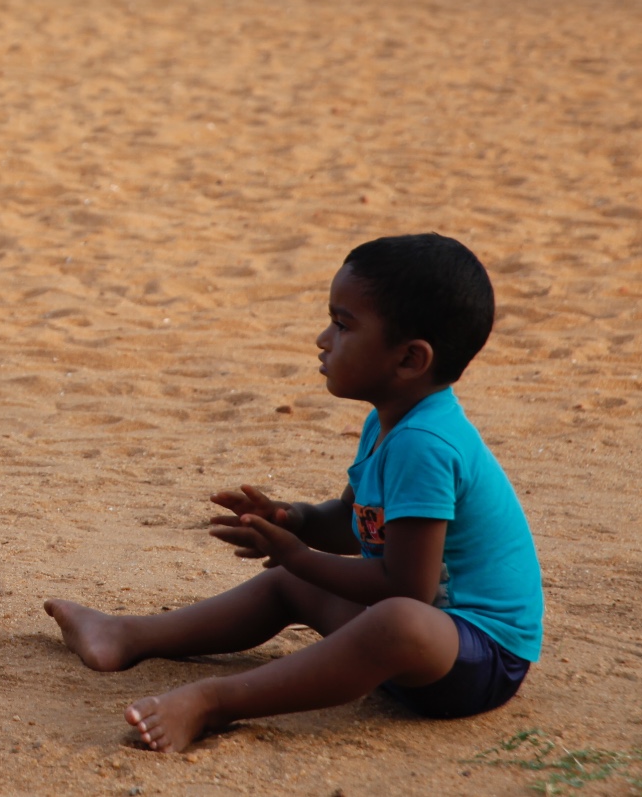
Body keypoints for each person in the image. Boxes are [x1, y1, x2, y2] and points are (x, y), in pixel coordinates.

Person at [44, 234, 543, 753]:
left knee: (393, 618)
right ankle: (126, 636)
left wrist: (301, 557)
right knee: (289, 583)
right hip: (415, 647)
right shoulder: (387, 423)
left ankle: (214, 702)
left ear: (410, 360)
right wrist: (297, 521)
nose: (323, 339)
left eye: (343, 325)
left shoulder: (425, 444)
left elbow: (408, 587)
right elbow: (354, 520)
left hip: (476, 659)